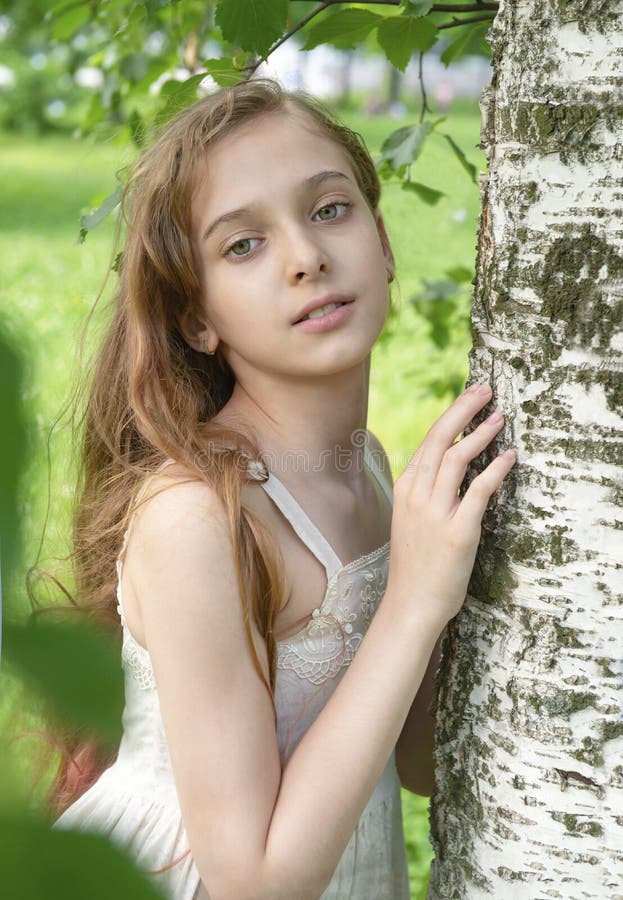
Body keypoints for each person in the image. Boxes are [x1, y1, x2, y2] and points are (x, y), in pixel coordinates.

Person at [50, 77, 516, 899]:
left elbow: (415, 765)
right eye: (243, 246)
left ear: (383, 240)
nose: (305, 257)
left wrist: (451, 589)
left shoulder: (366, 468)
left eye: (329, 209)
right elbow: (254, 883)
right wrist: (411, 602)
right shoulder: (197, 515)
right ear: (198, 319)